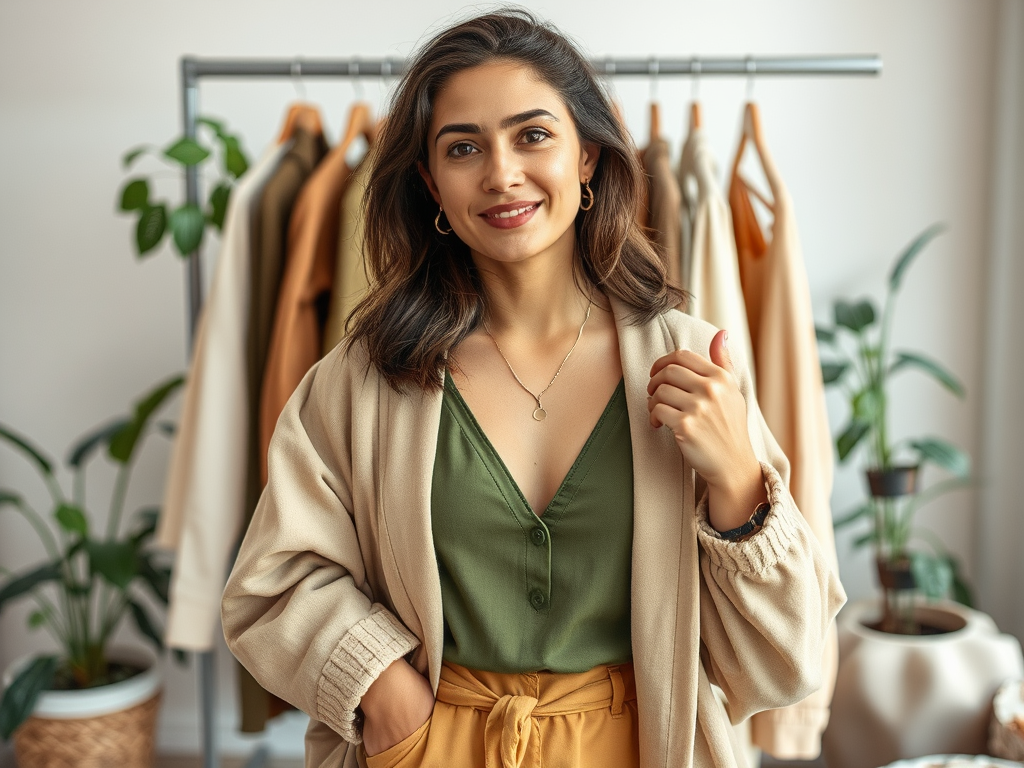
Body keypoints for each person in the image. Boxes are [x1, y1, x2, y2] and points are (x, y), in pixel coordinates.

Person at [221, 10, 846, 768]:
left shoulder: (689, 359)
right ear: (430, 183)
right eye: (463, 147)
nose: (501, 173)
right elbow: (269, 586)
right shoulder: (365, 376)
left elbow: (790, 664)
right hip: (428, 748)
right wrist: (381, 684)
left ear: (588, 155)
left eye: (533, 135)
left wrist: (740, 484)